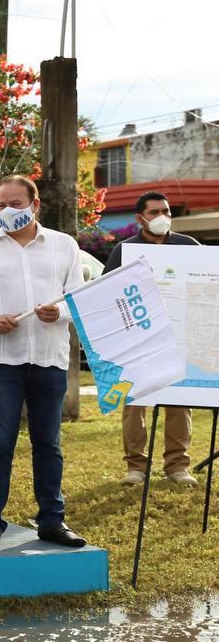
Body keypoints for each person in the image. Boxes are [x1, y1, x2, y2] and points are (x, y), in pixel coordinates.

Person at [0, 174, 87, 550]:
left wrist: (59, 313)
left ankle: (52, 521)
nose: (6, 211)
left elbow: (79, 299)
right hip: (3, 361)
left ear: (35, 205)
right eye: (1, 204)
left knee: (48, 442)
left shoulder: (64, 246)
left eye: (15, 204)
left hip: (49, 358)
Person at [105, 191, 201, 487]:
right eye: (155, 211)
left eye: (167, 211)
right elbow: (109, 291)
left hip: (178, 338)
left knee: (179, 403)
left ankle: (177, 466)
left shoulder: (189, 246)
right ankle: (136, 467)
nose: (162, 217)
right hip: (138, 342)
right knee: (135, 403)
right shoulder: (125, 250)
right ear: (140, 218)